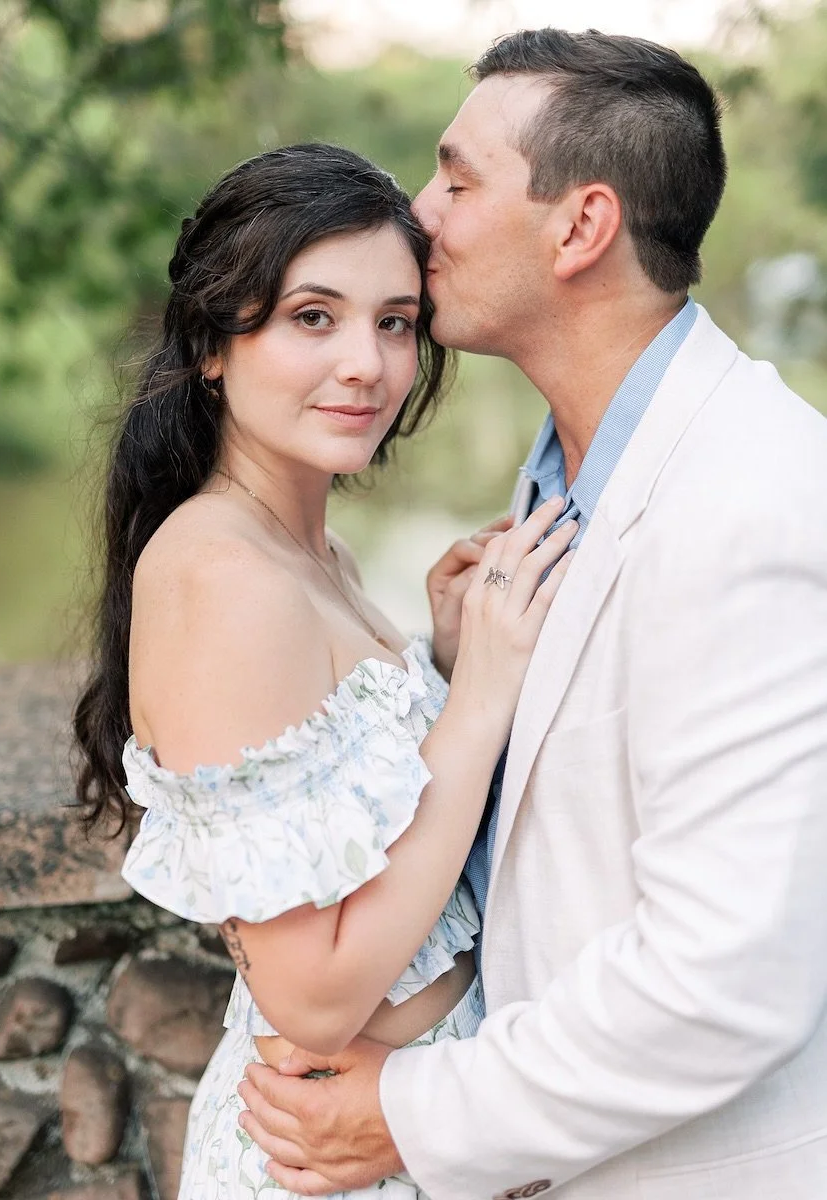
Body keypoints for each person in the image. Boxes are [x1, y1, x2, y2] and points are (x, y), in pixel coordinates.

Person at [238, 29, 827, 1200]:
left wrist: (409, 1114)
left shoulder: (757, 502)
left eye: (458, 180)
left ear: (581, 227)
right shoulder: (568, 463)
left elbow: (725, 979)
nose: (420, 212)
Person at [72, 142, 574, 1200]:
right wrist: (477, 699)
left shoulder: (312, 552)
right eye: (314, 316)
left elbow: (367, 833)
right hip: (331, 1163)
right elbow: (312, 992)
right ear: (214, 344)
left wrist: (437, 658)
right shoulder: (220, 575)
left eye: (395, 321)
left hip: (409, 1128)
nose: (367, 364)